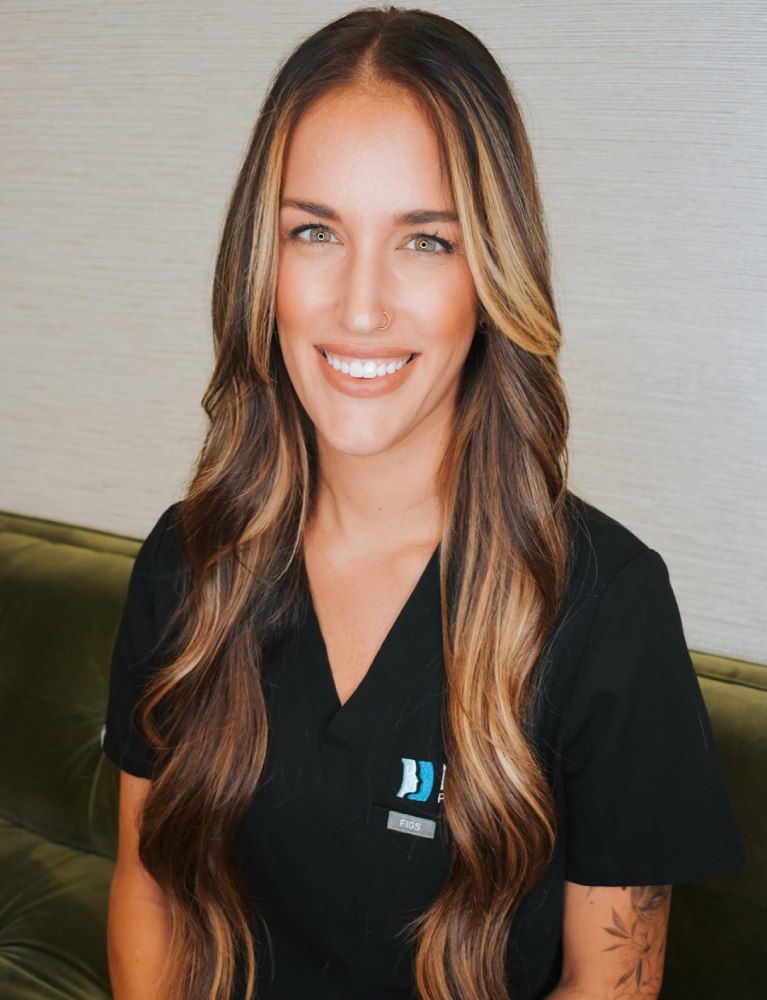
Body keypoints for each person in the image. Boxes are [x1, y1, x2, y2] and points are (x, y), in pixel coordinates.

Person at [101, 6, 746, 999]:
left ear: (491, 274)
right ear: (257, 266)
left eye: (425, 241)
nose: (360, 306)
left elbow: (609, 983)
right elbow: (149, 888)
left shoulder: (608, 610)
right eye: (313, 230)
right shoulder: (188, 563)